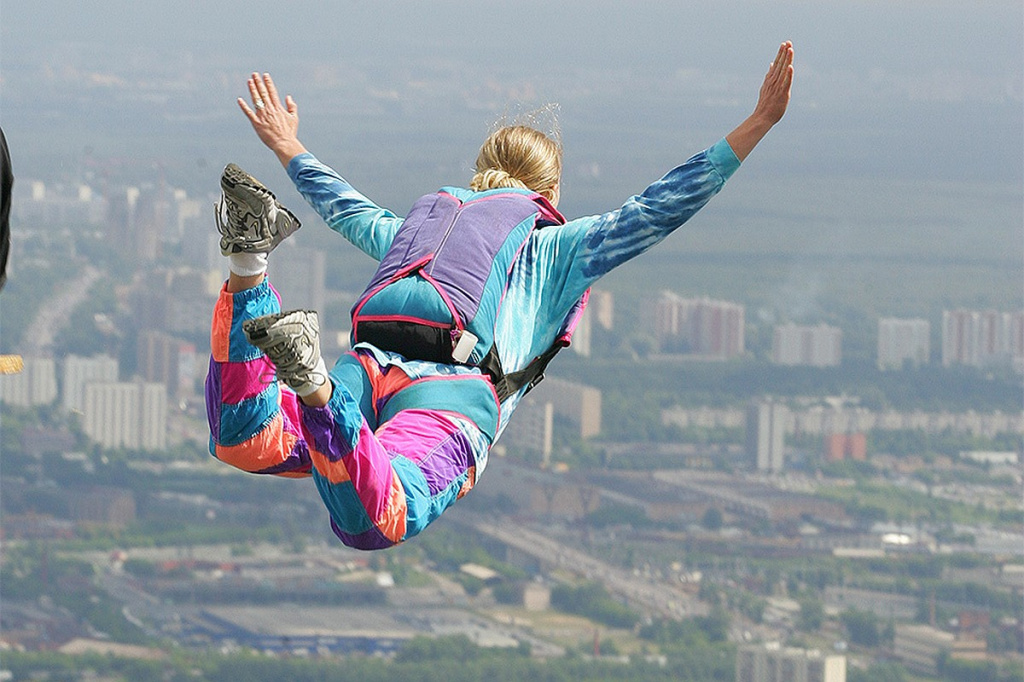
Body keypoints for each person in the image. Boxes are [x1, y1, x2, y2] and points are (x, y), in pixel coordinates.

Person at [206, 42, 795, 550]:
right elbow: (658, 207)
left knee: (245, 439)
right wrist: (758, 124)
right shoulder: (558, 247)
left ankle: (249, 263)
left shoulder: (424, 234)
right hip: (449, 398)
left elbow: (346, 209)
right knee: (377, 515)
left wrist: (290, 148)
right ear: (550, 191)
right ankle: (313, 385)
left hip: (365, 365)